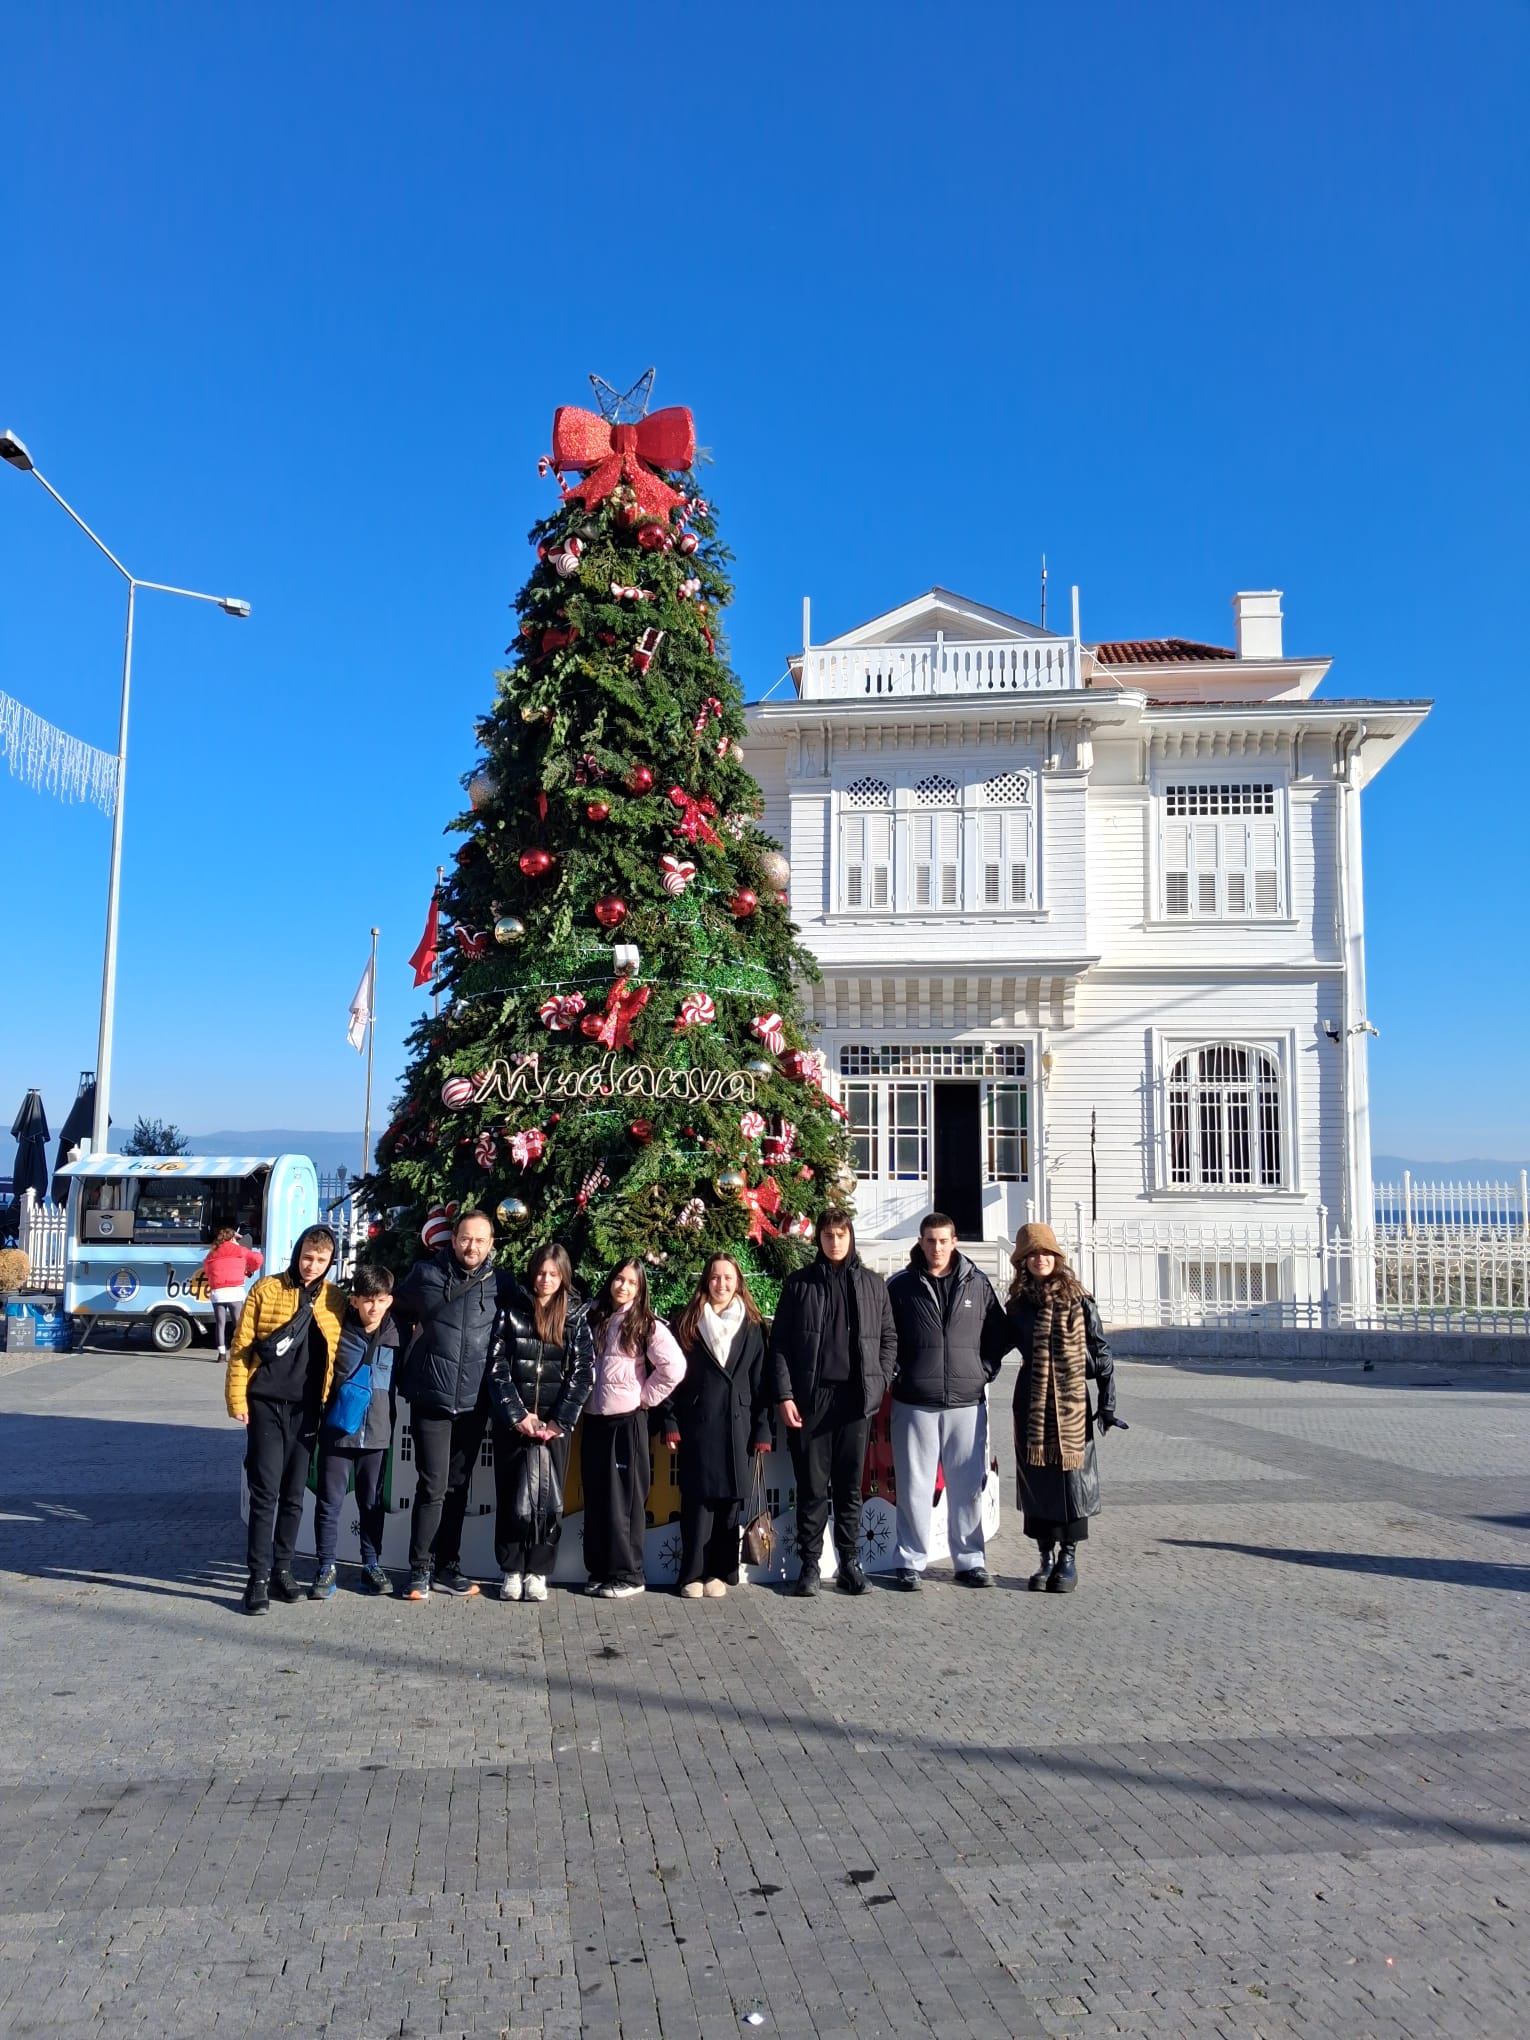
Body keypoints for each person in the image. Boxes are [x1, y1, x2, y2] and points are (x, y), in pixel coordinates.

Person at [769, 1209, 897, 1599]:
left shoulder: (873, 1285)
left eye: (841, 1235)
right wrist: (785, 1394)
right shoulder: (799, 1284)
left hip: (855, 1400)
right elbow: (780, 1344)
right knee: (811, 1487)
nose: (835, 1242)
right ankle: (809, 1565)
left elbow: (888, 1338)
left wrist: (880, 1381)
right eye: (828, 1235)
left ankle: (850, 1564)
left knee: (848, 1487)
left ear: (850, 1237)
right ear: (819, 1240)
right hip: (812, 1399)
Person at [885, 1211, 1011, 1591]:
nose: (937, 1248)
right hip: (914, 1402)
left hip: (966, 1404)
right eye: (930, 1241)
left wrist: (983, 1370)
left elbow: (999, 1334)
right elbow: (883, 1335)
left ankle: (970, 1560)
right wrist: (896, 1374)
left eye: (943, 1240)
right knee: (914, 1487)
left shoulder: (977, 1283)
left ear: (954, 1241)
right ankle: (910, 1561)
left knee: (967, 1486)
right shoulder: (901, 1286)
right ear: (921, 1243)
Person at [225, 1224, 345, 1615]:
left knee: (294, 1495)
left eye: (321, 1260)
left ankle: (282, 1569)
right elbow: (241, 1347)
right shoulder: (267, 1289)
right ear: (297, 1254)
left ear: (330, 1262)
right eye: (307, 1257)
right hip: (265, 1403)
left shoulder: (334, 1299)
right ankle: (257, 1579)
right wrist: (236, 1398)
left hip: (307, 1409)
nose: (312, 1266)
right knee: (265, 1493)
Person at [394, 1207, 511, 1601]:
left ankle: (448, 1566)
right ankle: (419, 1569)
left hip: (475, 1403)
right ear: (453, 1239)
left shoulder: (500, 1284)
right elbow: (392, 1309)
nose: (471, 1246)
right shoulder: (426, 1275)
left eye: (480, 1240)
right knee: (433, 1486)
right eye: (465, 1238)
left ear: (491, 1244)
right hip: (432, 1398)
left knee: (458, 1487)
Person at [1005, 1220, 1126, 1593]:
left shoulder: (1079, 1299)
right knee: (1037, 1483)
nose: (1039, 1259)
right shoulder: (1018, 1305)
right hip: (1032, 1403)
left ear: (1056, 1257)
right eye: (1032, 1254)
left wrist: (1107, 1404)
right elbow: (992, 1345)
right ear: (1022, 1261)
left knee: (1071, 1482)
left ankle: (1068, 1558)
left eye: (1046, 1252)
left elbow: (1102, 1353)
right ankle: (1044, 1558)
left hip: (1071, 1403)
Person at [485, 1242, 595, 1603]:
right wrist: (517, 1415)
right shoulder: (511, 1311)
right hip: (515, 1424)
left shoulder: (575, 1317)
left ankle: (538, 1571)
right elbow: (497, 1366)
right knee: (511, 1496)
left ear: (564, 1276)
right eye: (540, 1272)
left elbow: (583, 1373)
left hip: (553, 1428)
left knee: (548, 1501)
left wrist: (558, 1421)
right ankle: (511, 1569)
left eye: (553, 1274)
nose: (545, 1279)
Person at [664, 1254, 771, 1600]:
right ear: (705, 1281)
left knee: (729, 1505)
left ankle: (721, 1571)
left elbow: (761, 1383)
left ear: (738, 1281)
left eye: (728, 1277)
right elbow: (670, 1377)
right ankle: (692, 1573)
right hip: (698, 1423)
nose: (721, 1284)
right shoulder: (687, 1322)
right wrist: (669, 1421)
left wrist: (763, 1429)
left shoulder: (753, 1326)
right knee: (697, 1503)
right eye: (714, 1277)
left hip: (739, 1426)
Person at [582, 1259, 686, 1599]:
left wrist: (645, 1397)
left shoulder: (646, 1324)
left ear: (640, 1289)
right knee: (598, 1497)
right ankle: (600, 1569)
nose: (623, 1286)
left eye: (631, 1282)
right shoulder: (597, 1317)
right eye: (619, 1279)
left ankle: (629, 1574)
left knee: (623, 1501)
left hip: (627, 1422)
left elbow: (674, 1366)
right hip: (595, 1418)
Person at [310, 1262, 399, 1600]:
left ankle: (371, 1564)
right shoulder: (338, 1331)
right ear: (354, 1301)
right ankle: (325, 1566)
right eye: (367, 1300)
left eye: (380, 1300)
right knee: (329, 1502)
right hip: (338, 1430)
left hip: (377, 1432)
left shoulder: (398, 1335)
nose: (373, 1307)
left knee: (371, 1503)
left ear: (389, 1300)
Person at [203, 1226, 263, 1363]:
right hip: (234, 1291)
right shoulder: (240, 1250)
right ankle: (241, 1352)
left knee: (220, 1324)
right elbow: (258, 1258)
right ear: (232, 1238)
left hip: (217, 1292)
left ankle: (221, 1355)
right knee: (238, 1324)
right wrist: (249, 1270)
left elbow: (206, 1268)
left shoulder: (212, 1252)